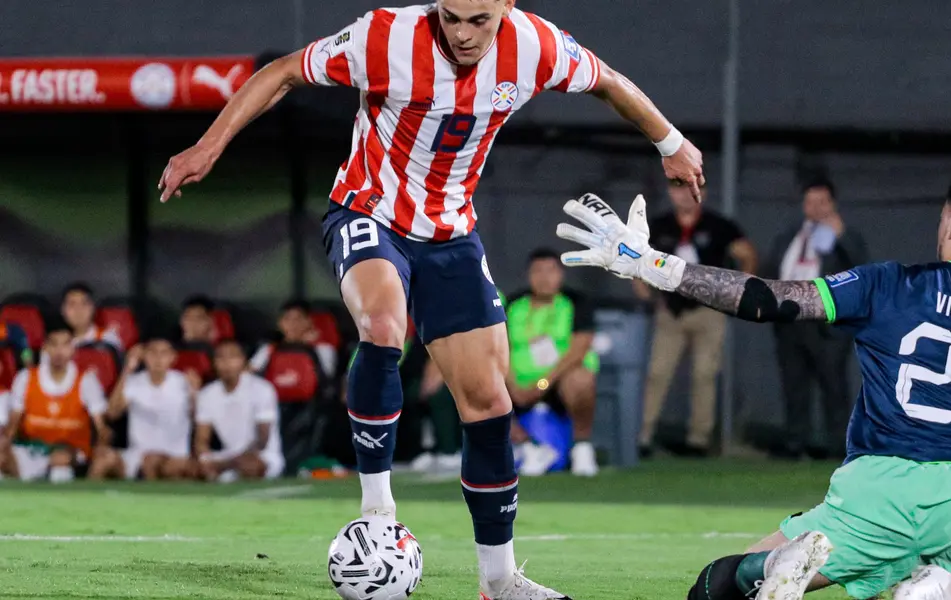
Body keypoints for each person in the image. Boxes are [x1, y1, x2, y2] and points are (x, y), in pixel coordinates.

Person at [156, 1, 703, 597]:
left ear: (506, 9)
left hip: (451, 235)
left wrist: (670, 141)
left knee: (490, 404)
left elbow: (609, 83)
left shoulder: (535, 46)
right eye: (451, 17)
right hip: (368, 212)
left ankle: (499, 581)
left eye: (479, 21)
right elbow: (283, 71)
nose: (464, 34)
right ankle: (378, 516)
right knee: (386, 326)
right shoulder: (383, 36)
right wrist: (208, 145)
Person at [554, 167, 951, 600]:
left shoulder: (890, 283)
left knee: (715, 587)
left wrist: (652, 264)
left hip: (869, 496)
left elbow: (769, 299)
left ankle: (767, 570)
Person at [635, 184, 756, 457]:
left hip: (708, 310)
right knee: (657, 373)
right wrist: (646, 294)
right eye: (677, 190)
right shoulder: (660, 225)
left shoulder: (719, 225)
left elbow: (746, 254)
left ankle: (698, 440)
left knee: (704, 374)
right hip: (671, 310)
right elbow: (637, 257)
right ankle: (642, 435)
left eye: (688, 190)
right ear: (669, 193)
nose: (682, 196)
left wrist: (738, 292)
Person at [763, 177, 868, 459]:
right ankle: (795, 441)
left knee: (833, 385)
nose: (816, 207)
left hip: (826, 323)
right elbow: (771, 266)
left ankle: (837, 445)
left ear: (832, 204)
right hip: (790, 321)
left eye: (822, 202)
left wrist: (841, 235)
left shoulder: (844, 235)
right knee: (794, 385)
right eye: (810, 202)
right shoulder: (791, 235)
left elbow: (862, 269)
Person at [505, 247, 600, 477]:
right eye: (538, 271)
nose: (545, 278)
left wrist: (543, 384)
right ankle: (529, 447)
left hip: (556, 383)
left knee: (581, 379)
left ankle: (582, 447)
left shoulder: (576, 302)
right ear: (529, 275)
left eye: (551, 271)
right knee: (478, 385)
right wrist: (511, 384)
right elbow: (499, 348)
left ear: (561, 275)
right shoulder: (513, 304)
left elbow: (579, 349)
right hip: (518, 385)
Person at [0, 319, 108, 483]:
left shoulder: (87, 381)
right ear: (45, 347)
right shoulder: (25, 378)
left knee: (61, 460)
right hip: (32, 450)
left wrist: (100, 449)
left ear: (73, 348)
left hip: (71, 452)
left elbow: (101, 429)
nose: (59, 351)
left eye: (65, 345)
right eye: (54, 344)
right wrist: (5, 445)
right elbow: (13, 426)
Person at [89, 337, 198, 481]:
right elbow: (112, 413)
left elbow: (197, 418)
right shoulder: (134, 382)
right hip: (137, 455)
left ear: (173, 357)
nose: (158, 358)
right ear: (144, 356)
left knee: (155, 462)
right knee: (102, 460)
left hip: (173, 457)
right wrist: (127, 370)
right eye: (152, 353)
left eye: (164, 353)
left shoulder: (183, 382)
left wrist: (194, 394)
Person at [194, 339, 285, 482]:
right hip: (228, 456)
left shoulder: (262, 389)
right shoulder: (207, 394)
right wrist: (205, 459)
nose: (226, 363)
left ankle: (224, 472)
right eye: (221, 358)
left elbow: (262, 440)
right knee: (185, 467)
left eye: (232, 357)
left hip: (261, 456)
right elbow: (201, 439)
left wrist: (225, 464)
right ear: (214, 362)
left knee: (250, 466)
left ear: (243, 361)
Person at [249, 299, 338, 379]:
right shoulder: (268, 349)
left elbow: (326, 376)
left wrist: (304, 346)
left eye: (298, 319)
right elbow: (248, 373)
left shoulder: (323, 349)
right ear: (280, 323)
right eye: (287, 319)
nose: (293, 324)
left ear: (308, 322)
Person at [60, 282, 123, 351]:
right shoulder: (57, 346)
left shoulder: (107, 338)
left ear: (93, 308)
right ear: (63, 311)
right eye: (72, 304)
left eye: (84, 303)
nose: (78, 310)